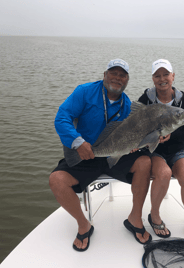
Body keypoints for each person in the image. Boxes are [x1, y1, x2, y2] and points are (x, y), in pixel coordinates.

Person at [49, 59, 152, 252]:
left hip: (114, 155)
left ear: (127, 80)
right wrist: (77, 142)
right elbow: (62, 117)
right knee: (56, 180)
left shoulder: (127, 105)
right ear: (105, 75)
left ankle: (134, 218)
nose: (117, 78)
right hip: (86, 155)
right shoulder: (85, 92)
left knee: (144, 161)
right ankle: (83, 224)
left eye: (122, 75)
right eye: (113, 73)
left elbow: (132, 134)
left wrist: (134, 145)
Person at [138, 59, 184, 240]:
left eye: (166, 74)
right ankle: (154, 216)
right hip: (154, 150)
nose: (162, 78)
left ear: (173, 76)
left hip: (177, 148)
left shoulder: (183, 101)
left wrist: (172, 136)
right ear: (153, 78)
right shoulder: (145, 100)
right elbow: (137, 126)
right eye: (157, 75)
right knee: (163, 173)